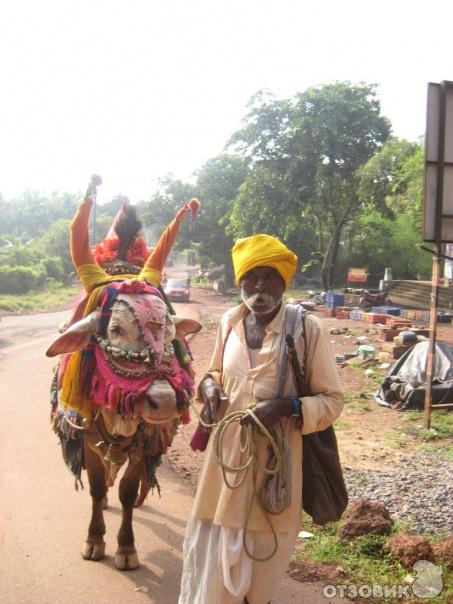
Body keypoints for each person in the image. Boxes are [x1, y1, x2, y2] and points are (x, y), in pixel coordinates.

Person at [179, 234, 344, 604]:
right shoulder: (230, 321)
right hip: (223, 472)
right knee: (216, 573)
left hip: (277, 472)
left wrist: (285, 407)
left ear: (284, 282)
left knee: (263, 579)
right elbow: (214, 372)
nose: (258, 285)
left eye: (269, 276)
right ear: (240, 281)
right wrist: (208, 387)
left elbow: (332, 401)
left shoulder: (307, 329)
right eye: (251, 276)